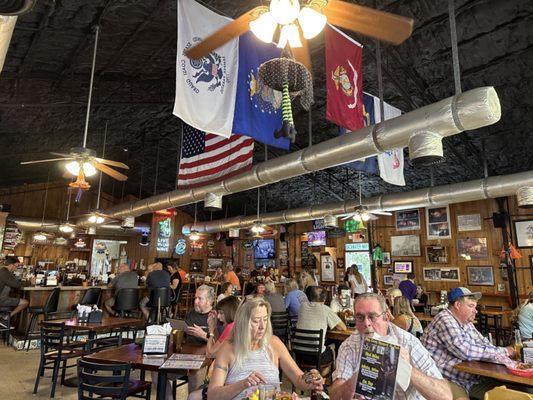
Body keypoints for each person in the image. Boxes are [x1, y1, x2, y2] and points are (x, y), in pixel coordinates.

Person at [329, 293, 452, 400]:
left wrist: (406, 368)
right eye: (360, 317)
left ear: (386, 317)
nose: (366, 323)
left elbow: (445, 396)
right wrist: (355, 380)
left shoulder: (407, 342)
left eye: (372, 316)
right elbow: (334, 395)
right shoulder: (350, 346)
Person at [207, 297, 324, 399]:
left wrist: (311, 379)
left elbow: (299, 379)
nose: (262, 326)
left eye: (265, 319)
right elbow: (212, 395)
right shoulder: (228, 349)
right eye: (256, 321)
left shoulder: (274, 344)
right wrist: (243, 384)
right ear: (243, 322)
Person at [421, 287, 515, 400]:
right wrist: (504, 351)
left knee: (514, 389)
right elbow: (466, 351)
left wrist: (504, 356)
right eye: (471, 306)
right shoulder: (445, 319)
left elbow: (484, 343)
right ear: (457, 305)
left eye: (475, 306)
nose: (475, 310)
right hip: (449, 381)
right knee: (508, 395)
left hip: (472, 378)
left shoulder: (466, 322)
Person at [188, 296, 240, 400]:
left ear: (229, 312)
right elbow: (218, 346)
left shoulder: (230, 327)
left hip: (228, 380)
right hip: (233, 376)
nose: (219, 317)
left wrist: (211, 330)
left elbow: (210, 353)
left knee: (192, 396)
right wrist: (215, 328)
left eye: (221, 313)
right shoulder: (235, 325)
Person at [296, 286, 346, 365]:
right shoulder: (325, 309)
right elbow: (343, 327)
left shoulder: (302, 306)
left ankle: (312, 372)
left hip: (298, 354)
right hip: (316, 356)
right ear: (324, 298)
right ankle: (321, 375)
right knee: (332, 350)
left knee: (325, 344)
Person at [184, 285, 215, 392]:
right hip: (186, 353)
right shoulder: (190, 314)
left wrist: (203, 335)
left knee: (195, 374)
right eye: (195, 298)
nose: (195, 301)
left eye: (199, 298)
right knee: (157, 372)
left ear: (209, 301)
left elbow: (221, 343)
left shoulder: (216, 316)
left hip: (206, 355)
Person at [0, 256, 31, 325]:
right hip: (1, 300)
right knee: (25, 302)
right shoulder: (5, 273)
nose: (16, 269)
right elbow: (17, 285)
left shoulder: (2, 271)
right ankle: (5, 318)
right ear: (11, 265)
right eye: (16, 266)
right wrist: (30, 282)